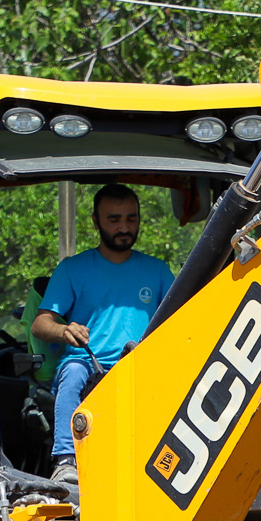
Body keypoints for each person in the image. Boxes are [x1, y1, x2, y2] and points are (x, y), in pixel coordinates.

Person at [30, 183, 173, 486]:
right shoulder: (72, 269)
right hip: (86, 360)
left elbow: (181, 319)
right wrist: (64, 329)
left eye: (131, 219)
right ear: (95, 222)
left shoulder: (158, 271)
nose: (124, 227)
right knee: (71, 376)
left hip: (139, 364)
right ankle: (66, 458)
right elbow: (41, 323)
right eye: (114, 219)